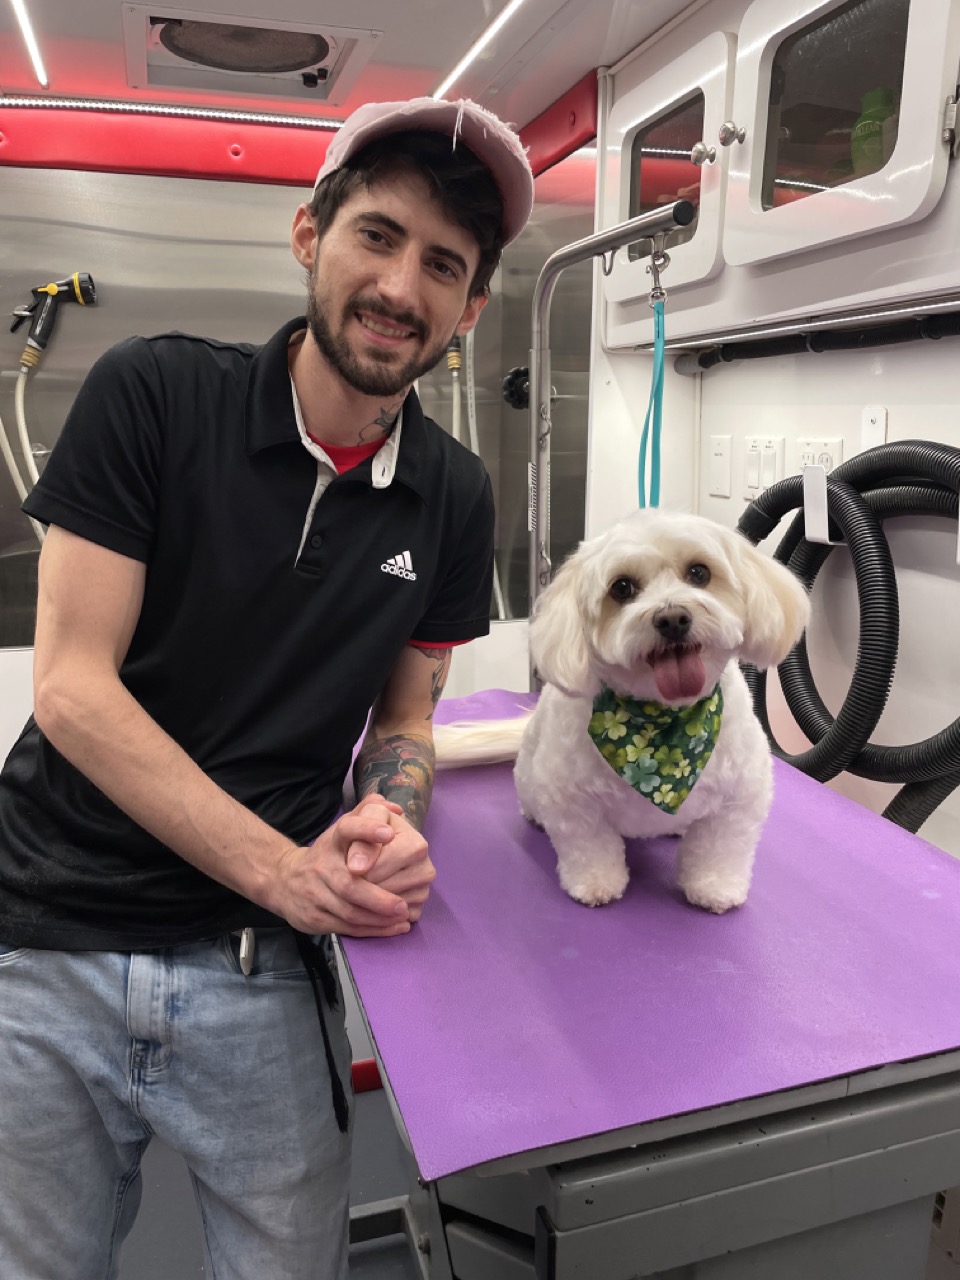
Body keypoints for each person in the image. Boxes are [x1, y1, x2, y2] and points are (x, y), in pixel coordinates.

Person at [0, 97, 534, 1280]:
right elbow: (72, 691)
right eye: (378, 237)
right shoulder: (153, 395)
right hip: (51, 937)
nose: (402, 286)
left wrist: (392, 810)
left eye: (443, 265)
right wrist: (287, 871)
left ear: (472, 306)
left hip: (254, 962)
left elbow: (405, 714)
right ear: (309, 233)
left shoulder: (450, 493)